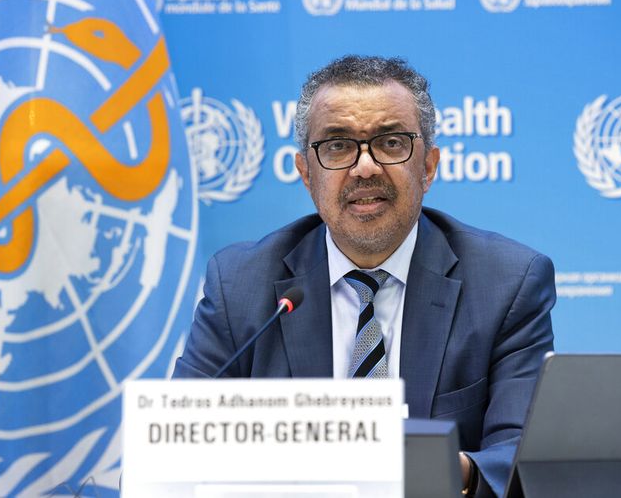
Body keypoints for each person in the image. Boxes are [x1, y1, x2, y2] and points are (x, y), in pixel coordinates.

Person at [173, 55, 556, 497]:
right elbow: (175, 447)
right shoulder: (240, 283)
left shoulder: (508, 283)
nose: (365, 166)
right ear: (305, 174)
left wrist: (441, 468)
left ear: (428, 167)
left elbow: (520, 461)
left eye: (391, 142)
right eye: (337, 146)